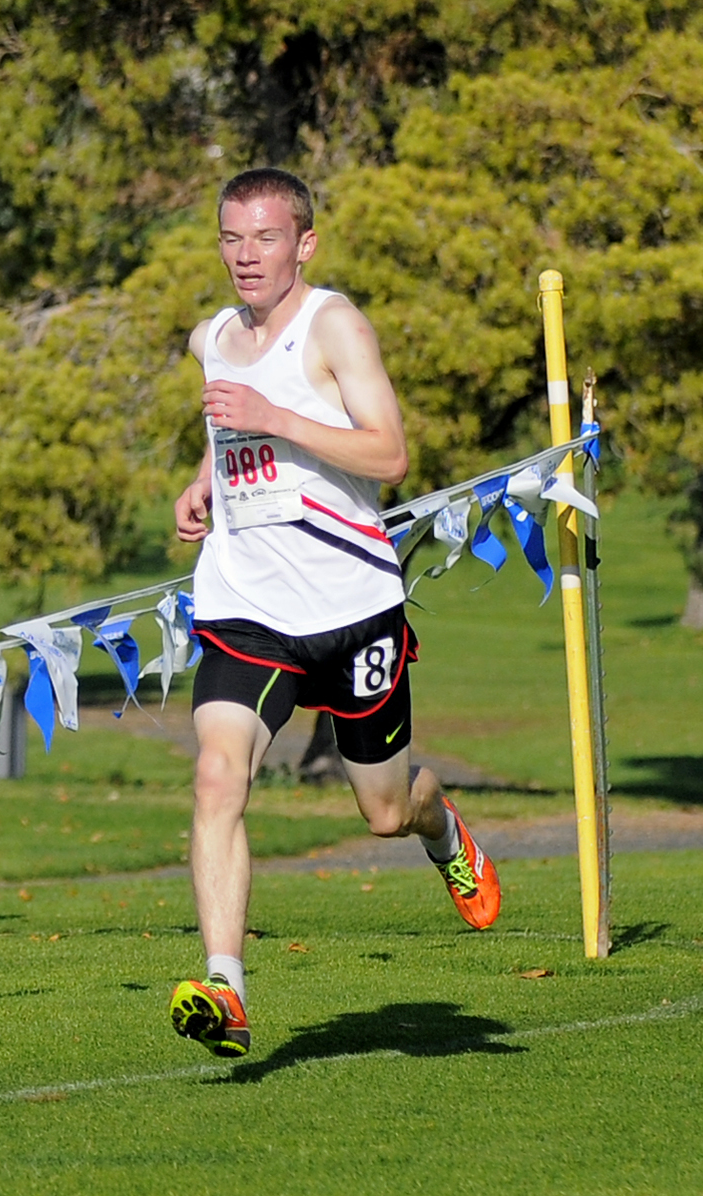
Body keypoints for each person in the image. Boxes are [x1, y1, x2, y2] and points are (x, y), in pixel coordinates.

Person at [167, 168, 501, 1058]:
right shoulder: (212, 338)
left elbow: (389, 453)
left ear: (304, 243)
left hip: (353, 606)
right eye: (232, 237)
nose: (245, 256)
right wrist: (204, 483)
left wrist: (275, 415)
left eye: (265, 238)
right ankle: (226, 986)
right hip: (247, 603)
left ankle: (443, 825)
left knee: (383, 812)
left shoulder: (334, 325)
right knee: (215, 773)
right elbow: (228, 433)